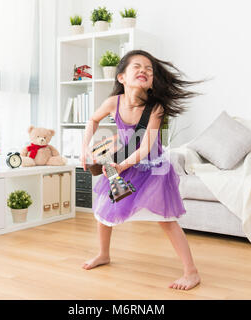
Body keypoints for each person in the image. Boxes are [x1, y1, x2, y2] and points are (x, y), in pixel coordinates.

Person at [80, 50, 202, 290]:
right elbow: (92, 120)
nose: (144, 71)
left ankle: (192, 272)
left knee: (166, 220)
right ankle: (103, 254)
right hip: (123, 164)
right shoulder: (112, 103)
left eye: (149, 69)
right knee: (104, 212)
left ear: (152, 81)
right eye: (137, 66)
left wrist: (121, 165)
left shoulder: (155, 108)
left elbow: (146, 147)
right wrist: (85, 148)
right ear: (122, 77)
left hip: (151, 167)